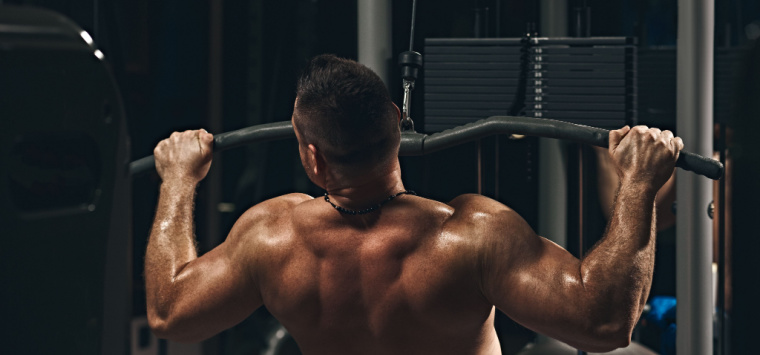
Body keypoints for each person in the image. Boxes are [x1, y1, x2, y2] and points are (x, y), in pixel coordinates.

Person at [145, 54, 683, 354]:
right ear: (399, 128)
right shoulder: (472, 236)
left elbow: (169, 314)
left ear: (313, 158)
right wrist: (637, 184)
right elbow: (607, 324)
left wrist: (177, 180)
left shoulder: (271, 238)